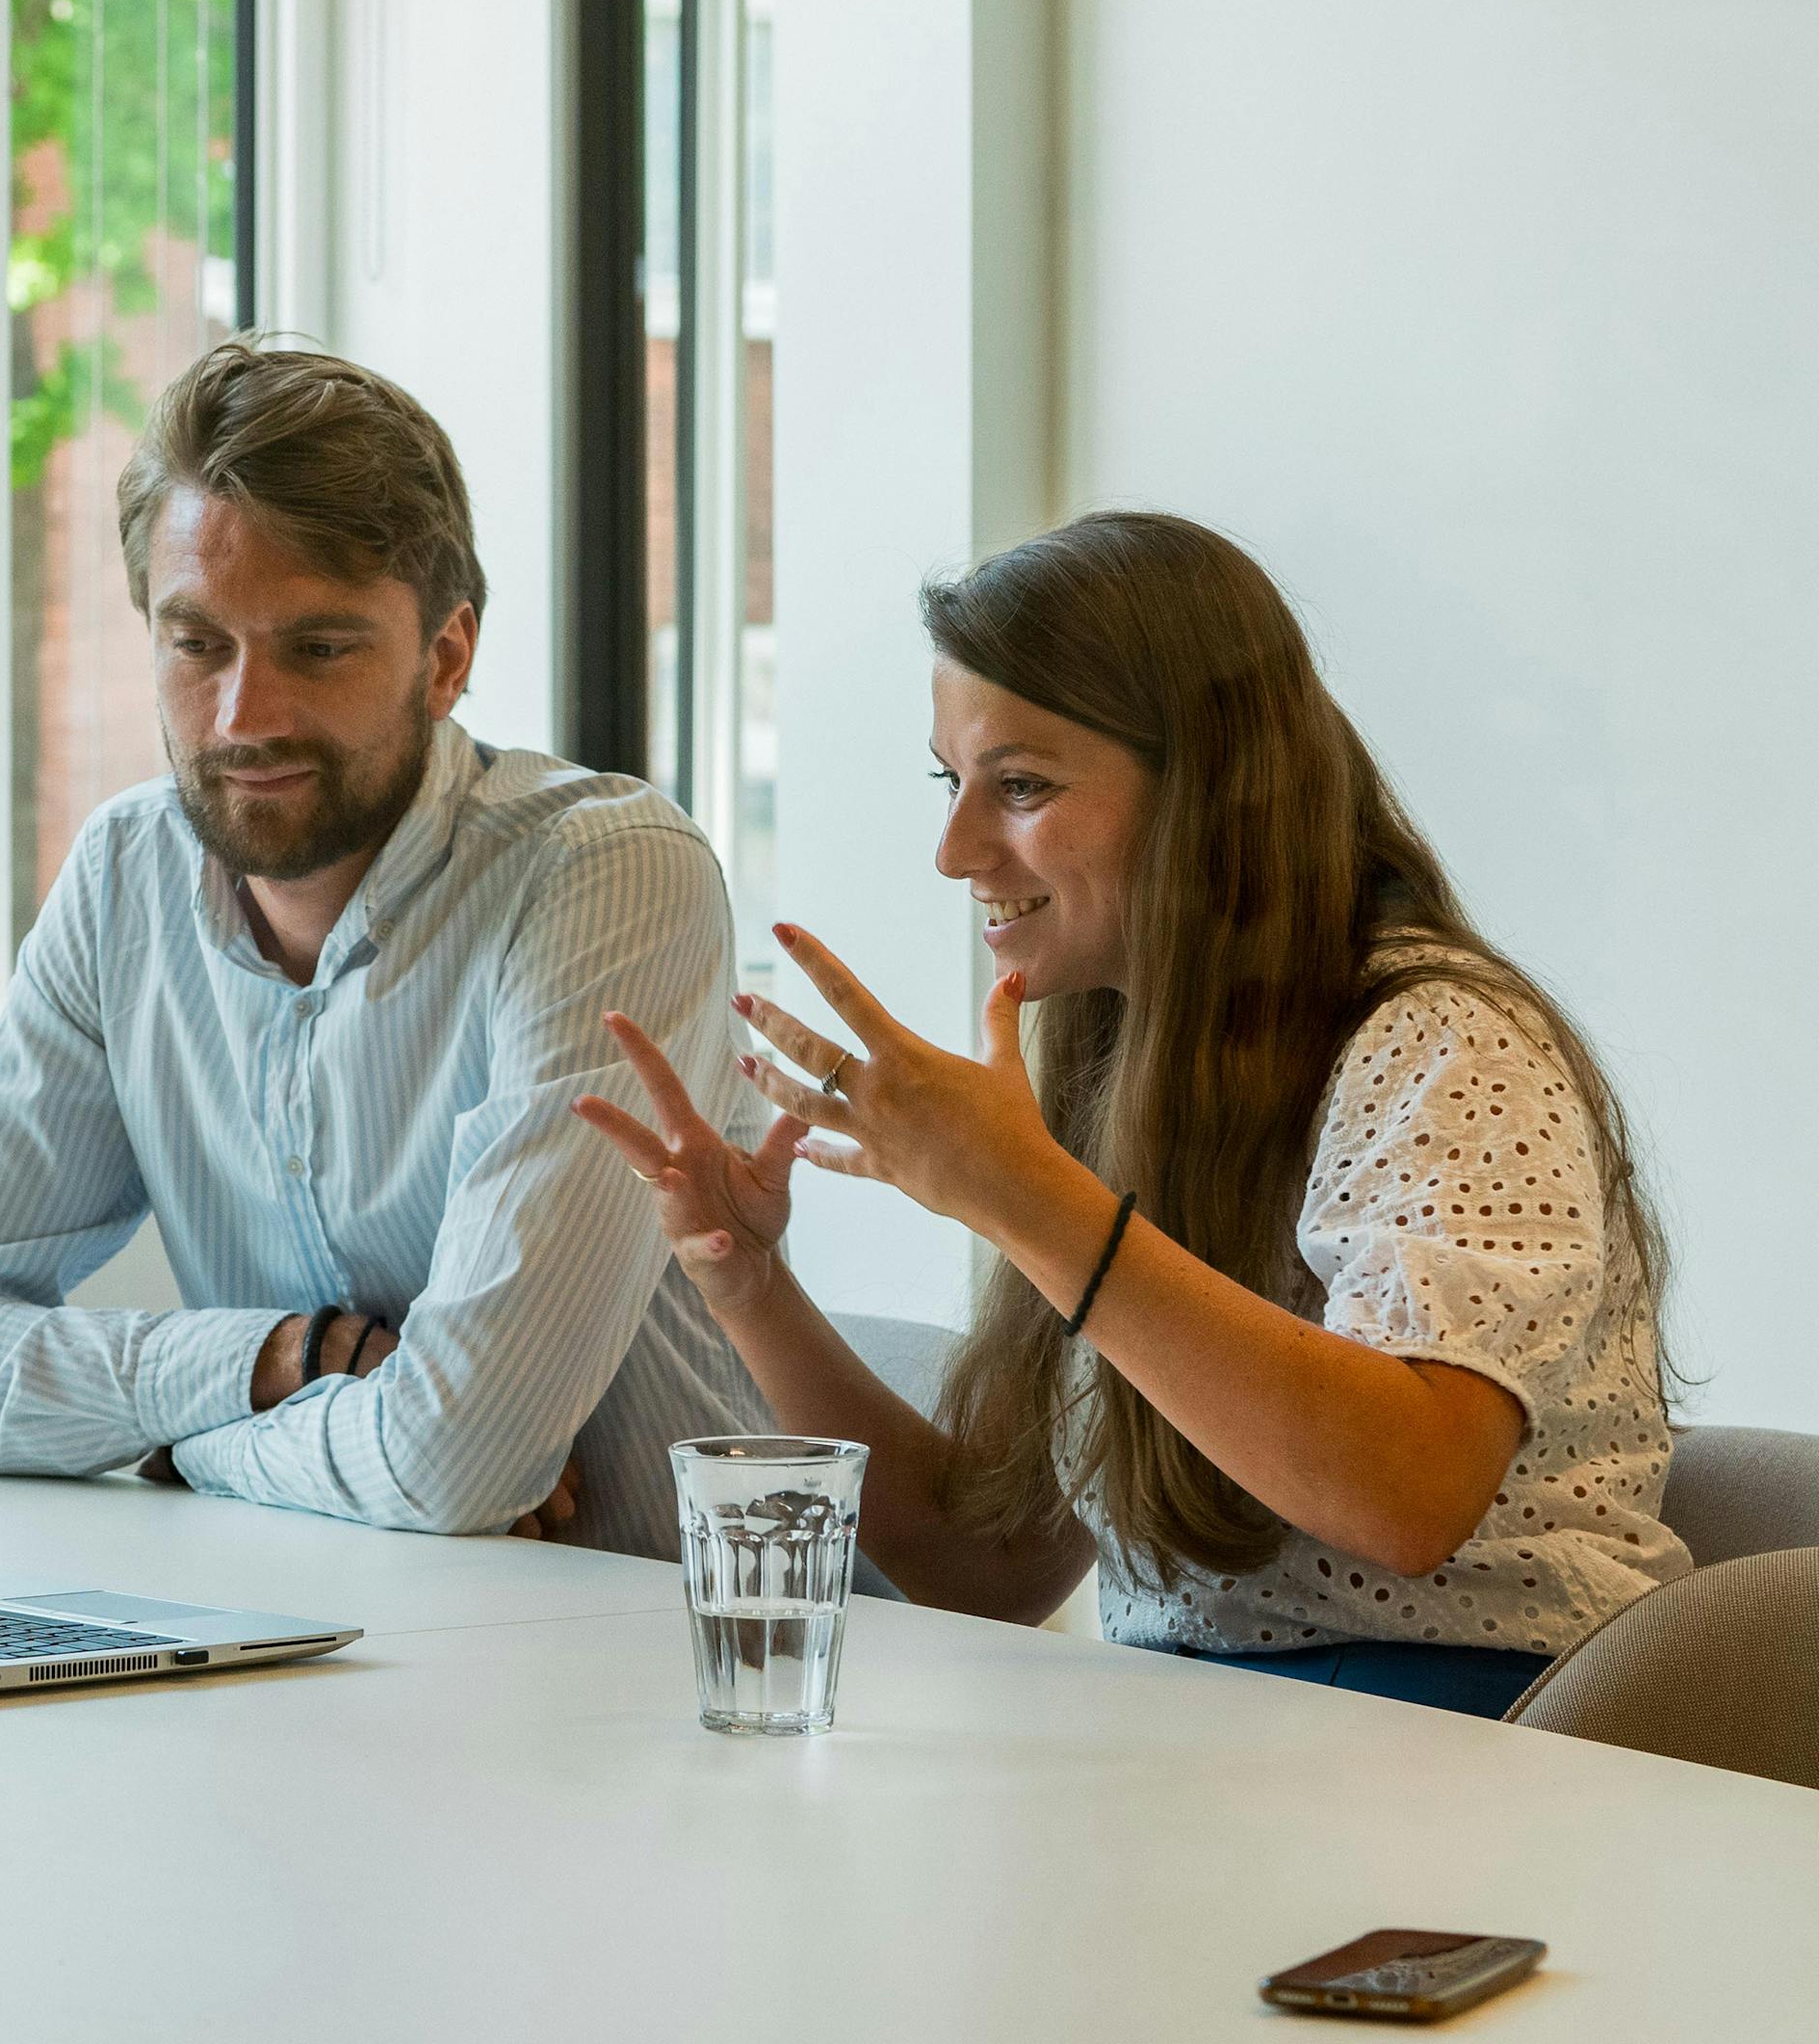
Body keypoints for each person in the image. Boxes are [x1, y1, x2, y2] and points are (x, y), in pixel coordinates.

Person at [576, 509, 1686, 1715]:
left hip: (1500, 1731)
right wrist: (749, 1282)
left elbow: (1405, 1497)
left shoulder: (1442, 1041)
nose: (953, 851)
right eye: (954, 783)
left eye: (1022, 785)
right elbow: (986, 1567)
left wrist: (1031, 1199)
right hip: (1214, 1730)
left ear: (1215, 792)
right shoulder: (1120, 1061)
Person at [0, 339, 767, 1551]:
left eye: (318, 648)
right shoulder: (125, 879)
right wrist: (270, 1360)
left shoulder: (604, 874)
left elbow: (461, 1463)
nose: (245, 716)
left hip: (657, 1674)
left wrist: (181, 1450)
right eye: (198, 645)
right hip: (328, 1650)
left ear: (446, 657)